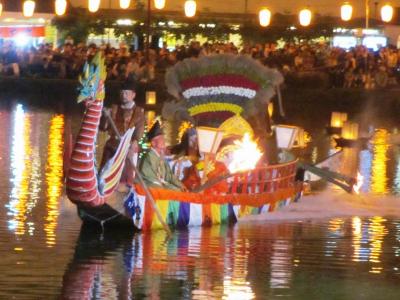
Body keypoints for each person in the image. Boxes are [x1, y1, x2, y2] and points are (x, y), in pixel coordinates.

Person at [100, 76, 145, 186]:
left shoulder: (138, 112)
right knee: (105, 176)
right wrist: (105, 117)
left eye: (126, 93)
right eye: (122, 93)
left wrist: (133, 144)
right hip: (112, 146)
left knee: (124, 179)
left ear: (133, 95)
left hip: (126, 148)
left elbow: (138, 134)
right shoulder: (114, 108)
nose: (123, 96)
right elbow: (103, 128)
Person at [138, 121, 186, 191]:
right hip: (151, 186)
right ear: (153, 143)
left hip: (161, 184)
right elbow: (149, 177)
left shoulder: (161, 158)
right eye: (161, 139)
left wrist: (180, 185)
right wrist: (163, 186)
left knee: (179, 190)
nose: (164, 141)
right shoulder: (147, 157)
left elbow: (169, 176)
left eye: (163, 139)